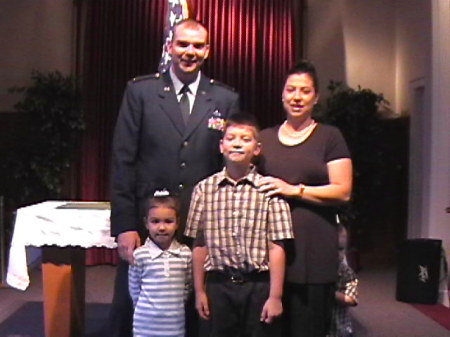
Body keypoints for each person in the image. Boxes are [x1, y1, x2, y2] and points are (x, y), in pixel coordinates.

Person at [109, 18, 239, 337]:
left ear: (207, 51)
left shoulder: (224, 99)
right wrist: (125, 225)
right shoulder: (141, 91)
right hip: (149, 219)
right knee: (135, 304)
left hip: (201, 221)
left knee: (196, 303)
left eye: (197, 46)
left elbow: (230, 162)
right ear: (170, 47)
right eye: (183, 44)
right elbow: (123, 160)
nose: (189, 52)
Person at [257, 60, 353, 337]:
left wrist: (295, 189)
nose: (297, 97)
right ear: (282, 94)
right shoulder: (263, 138)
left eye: (305, 91)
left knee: (308, 328)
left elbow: (343, 190)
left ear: (316, 97)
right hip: (268, 254)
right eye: (291, 90)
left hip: (314, 252)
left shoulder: (330, 137)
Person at [184, 113, 294, 337]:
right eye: (231, 138)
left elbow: (276, 247)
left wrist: (275, 296)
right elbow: (199, 245)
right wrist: (199, 291)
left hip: (258, 286)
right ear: (221, 146)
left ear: (257, 148)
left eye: (245, 139)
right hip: (218, 285)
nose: (237, 143)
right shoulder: (204, 190)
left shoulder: (270, 191)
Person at [129, 191, 192, 337]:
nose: (162, 228)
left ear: (177, 223)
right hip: (145, 325)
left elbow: (187, 287)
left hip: (174, 325)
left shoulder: (185, 254)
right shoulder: (140, 255)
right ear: (146, 223)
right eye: (155, 221)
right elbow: (134, 289)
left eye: (168, 221)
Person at [327, 225, 358, 337]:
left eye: (340, 249)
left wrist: (330, 292)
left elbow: (351, 299)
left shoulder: (347, 272)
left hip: (340, 330)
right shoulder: (318, 269)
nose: (336, 253)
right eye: (332, 248)